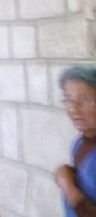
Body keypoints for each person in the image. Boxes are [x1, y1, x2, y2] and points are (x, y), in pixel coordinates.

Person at [55, 65, 96, 217]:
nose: (73, 109)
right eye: (68, 100)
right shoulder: (79, 143)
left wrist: (68, 187)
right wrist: (67, 174)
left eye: (83, 100)